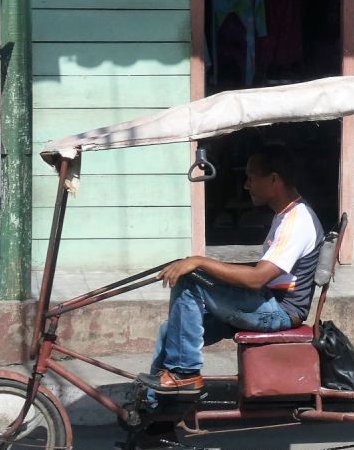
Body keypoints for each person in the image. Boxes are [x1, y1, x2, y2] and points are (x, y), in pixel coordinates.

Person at [138, 143, 324, 399]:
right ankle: (156, 413)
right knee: (171, 331)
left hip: (279, 312)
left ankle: (184, 373)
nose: (246, 185)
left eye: (250, 177)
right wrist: (204, 266)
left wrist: (200, 262)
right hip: (266, 302)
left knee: (191, 281)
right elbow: (261, 272)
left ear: (274, 180)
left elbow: (258, 278)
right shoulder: (285, 216)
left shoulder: (297, 221)